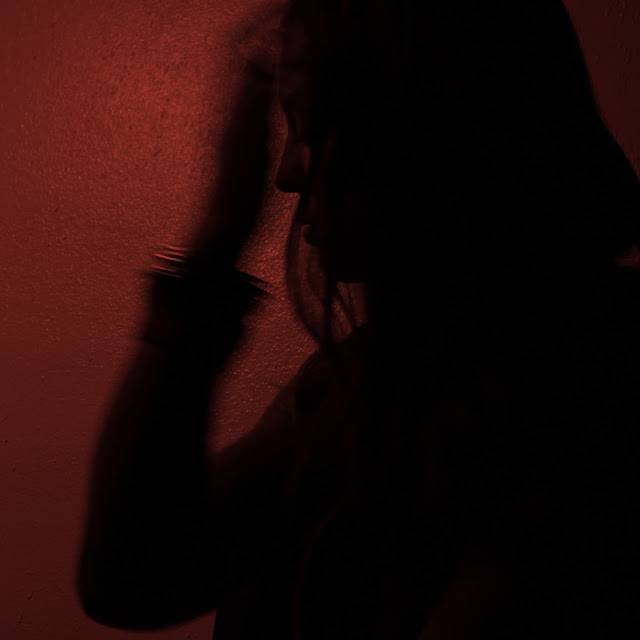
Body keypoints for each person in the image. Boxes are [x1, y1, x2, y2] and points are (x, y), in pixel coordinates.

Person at [77, 1, 640, 638]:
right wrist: (215, 239)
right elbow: (131, 577)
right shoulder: (357, 385)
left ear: (421, 130)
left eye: (311, 127)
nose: (285, 174)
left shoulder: (590, 394)